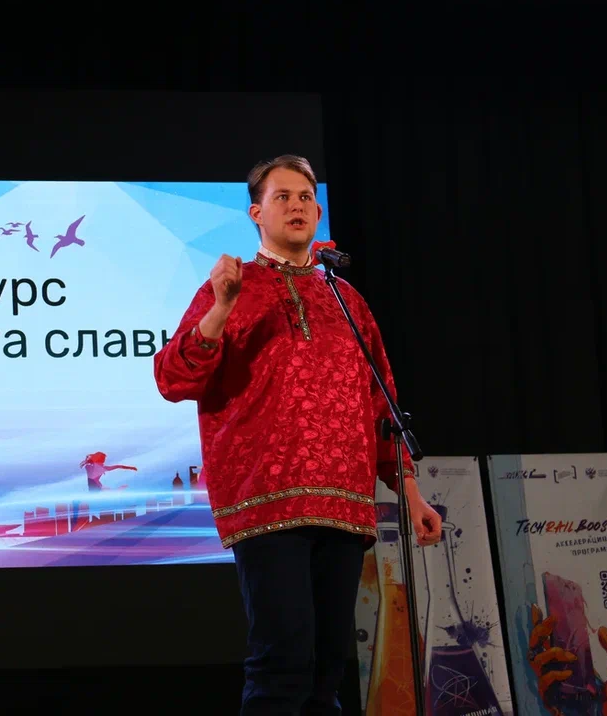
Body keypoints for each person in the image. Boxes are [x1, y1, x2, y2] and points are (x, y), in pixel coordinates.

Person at [153, 155, 443, 715]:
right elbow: (173, 379)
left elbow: (381, 402)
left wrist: (410, 493)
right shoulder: (231, 289)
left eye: (306, 197)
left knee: (327, 670)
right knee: (282, 663)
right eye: (282, 197)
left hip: (344, 504)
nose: (297, 206)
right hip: (268, 500)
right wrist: (221, 308)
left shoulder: (346, 298)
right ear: (256, 213)